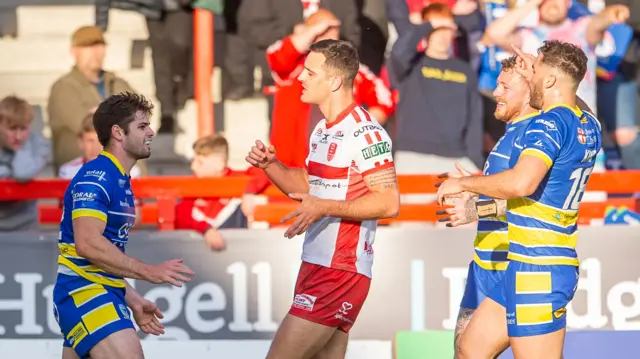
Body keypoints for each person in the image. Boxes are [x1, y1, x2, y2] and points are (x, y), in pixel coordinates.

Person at [436, 40, 602, 359]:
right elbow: (572, 94)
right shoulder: (588, 122)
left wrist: (464, 183)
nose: (531, 74)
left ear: (550, 80)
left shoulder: (548, 123)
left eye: (534, 70)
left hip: (540, 265)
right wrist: (546, 70)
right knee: (470, 349)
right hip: (524, 263)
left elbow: (522, 183)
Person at [246, 39, 400, 359]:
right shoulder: (322, 130)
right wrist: (270, 166)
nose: (301, 77)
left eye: (309, 72)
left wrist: (323, 207)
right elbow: (306, 185)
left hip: (340, 270)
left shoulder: (365, 133)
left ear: (334, 81)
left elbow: (388, 202)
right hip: (316, 264)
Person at [53, 92, 195, 359]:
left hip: (98, 289)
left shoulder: (118, 178)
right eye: (142, 126)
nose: (151, 131)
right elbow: (88, 244)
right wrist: (148, 272)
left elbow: (100, 253)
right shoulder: (96, 177)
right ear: (118, 132)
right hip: (84, 293)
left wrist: (130, 296)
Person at [437, 55, 540, 358]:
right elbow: (504, 190)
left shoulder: (535, 136)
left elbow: (535, 202)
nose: (495, 93)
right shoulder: (508, 134)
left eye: (505, 87)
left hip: (515, 265)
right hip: (485, 262)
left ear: (530, 91)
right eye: (497, 85)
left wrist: (475, 209)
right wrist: (474, 186)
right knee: (463, 351)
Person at [175, 134, 264, 251]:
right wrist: (206, 230)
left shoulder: (236, 180)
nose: (193, 167)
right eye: (193, 161)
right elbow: (181, 216)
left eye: (200, 162)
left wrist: (249, 191)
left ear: (219, 164)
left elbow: (264, 171)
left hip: (237, 250)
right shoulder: (193, 186)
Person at [58, 113, 142, 179]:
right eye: (90, 141)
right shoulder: (68, 171)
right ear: (81, 142)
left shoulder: (129, 170)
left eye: (100, 141)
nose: (96, 147)